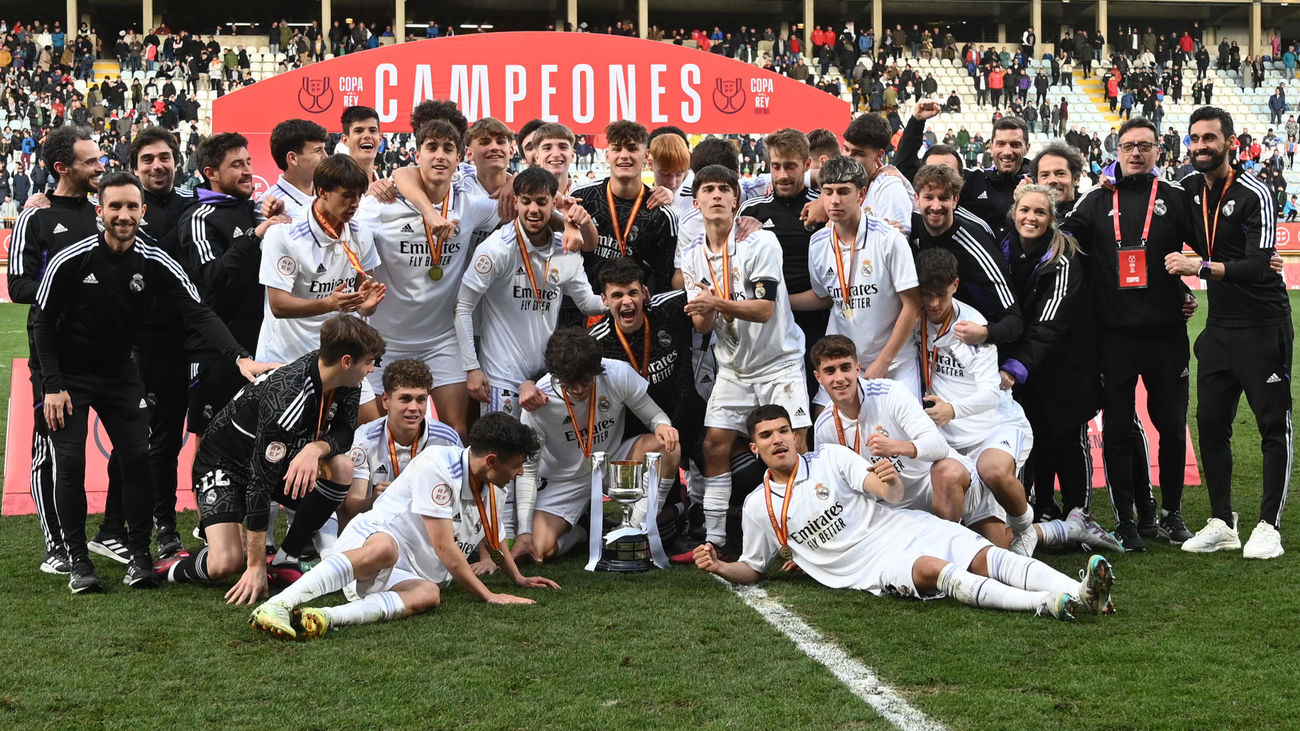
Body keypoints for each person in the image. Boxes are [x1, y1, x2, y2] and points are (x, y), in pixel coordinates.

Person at [34, 172, 272, 593]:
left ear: (143, 211)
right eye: (115, 207)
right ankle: (79, 561)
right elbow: (41, 323)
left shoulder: (155, 259)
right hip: (68, 377)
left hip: (121, 372)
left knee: (138, 459)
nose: (123, 215)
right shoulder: (70, 259)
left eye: (131, 207)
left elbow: (198, 311)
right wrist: (53, 385)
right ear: (100, 211)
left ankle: (140, 555)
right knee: (70, 464)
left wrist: (239, 357)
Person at [693, 405, 1117, 622]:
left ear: (795, 435)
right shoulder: (758, 506)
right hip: (869, 566)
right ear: (755, 448)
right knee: (935, 569)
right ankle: (1046, 603)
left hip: (902, 525)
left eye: (784, 431)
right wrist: (720, 567)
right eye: (767, 436)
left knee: (986, 556)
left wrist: (889, 480)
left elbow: (888, 492)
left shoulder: (831, 458)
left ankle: (1084, 592)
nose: (778, 440)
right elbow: (754, 567)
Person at [248, 411, 557, 639]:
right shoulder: (438, 466)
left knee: (429, 594)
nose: (519, 473)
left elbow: (494, 538)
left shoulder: (495, 487)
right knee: (385, 549)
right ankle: (278, 604)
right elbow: (445, 548)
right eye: (517, 466)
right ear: (491, 461)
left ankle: (323, 617)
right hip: (369, 545)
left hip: (410, 573)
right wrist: (489, 595)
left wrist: (518, 578)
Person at [157, 316, 384, 603]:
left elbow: (344, 432)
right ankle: (170, 568)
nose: (372, 369)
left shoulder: (345, 378)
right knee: (226, 563)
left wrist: (315, 449)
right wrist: (255, 566)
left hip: (270, 458)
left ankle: (286, 558)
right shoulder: (288, 398)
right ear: (347, 361)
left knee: (341, 467)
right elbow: (259, 484)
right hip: (224, 464)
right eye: (369, 362)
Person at [1059, 117, 1195, 552]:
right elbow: (1058, 241)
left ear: (1158, 151)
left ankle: (1172, 514)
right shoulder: (1096, 198)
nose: (1136, 153)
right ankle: (1127, 521)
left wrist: (1190, 282)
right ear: (1116, 151)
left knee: (1171, 427)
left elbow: (1209, 245)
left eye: (1144, 146)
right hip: (1114, 337)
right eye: (1128, 146)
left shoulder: (1175, 196)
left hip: (1167, 334)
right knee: (1117, 429)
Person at [1167, 106, 1292, 559]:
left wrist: (1199, 267)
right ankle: (1222, 522)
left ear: (1230, 143)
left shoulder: (1256, 191)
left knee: (1272, 424)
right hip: (1219, 326)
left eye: (1210, 138)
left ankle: (1269, 526)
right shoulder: (1186, 189)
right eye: (1195, 138)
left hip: (1263, 324)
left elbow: (1260, 266)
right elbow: (1149, 206)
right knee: (1210, 423)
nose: (1201, 146)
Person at [680, 165, 809, 551]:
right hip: (733, 366)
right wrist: (704, 311)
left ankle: (803, 532)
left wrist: (716, 302)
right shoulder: (692, 255)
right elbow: (702, 325)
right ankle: (715, 538)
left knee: (796, 443)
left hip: (778, 361)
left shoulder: (760, 242)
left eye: (724, 189)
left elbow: (764, 309)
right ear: (696, 202)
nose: (716, 195)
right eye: (708, 189)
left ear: (736, 200)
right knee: (714, 444)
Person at [89, 126, 197, 562]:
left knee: (166, 442)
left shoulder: (195, 204)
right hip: (132, 346)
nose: (157, 165)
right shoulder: (122, 212)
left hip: (178, 344)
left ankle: (165, 529)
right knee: (132, 441)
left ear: (177, 160)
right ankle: (113, 527)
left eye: (164, 157)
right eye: (147, 159)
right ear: (134, 167)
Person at [355, 120, 499, 438]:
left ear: (459, 158)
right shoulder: (380, 204)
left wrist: (514, 184)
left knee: (456, 430)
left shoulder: (470, 205)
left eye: (448, 149)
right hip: (384, 341)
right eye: (432, 147)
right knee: (380, 434)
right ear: (417, 155)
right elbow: (341, 229)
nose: (440, 156)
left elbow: (517, 208)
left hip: (441, 340)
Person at [9, 125, 104, 576]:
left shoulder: (105, 212)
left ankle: (116, 534)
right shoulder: (35, 217)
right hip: (54, 354)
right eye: (91, 161)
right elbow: (18, 285)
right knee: (52, 451)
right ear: (63, 167)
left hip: (108, 351)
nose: (100, 166)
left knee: (130, 446)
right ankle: (57, 546)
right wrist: (73, 291)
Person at [913, 248, 1042, 555]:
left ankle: (1026, 528)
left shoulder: (971, 326)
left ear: (955, 286)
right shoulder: (913, 318)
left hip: (995, 427)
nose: (933, 303)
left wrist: (952, 409)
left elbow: (992, 393)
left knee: (993, 470)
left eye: (941, 295)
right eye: (927, 295)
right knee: (994, 550)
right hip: (954, 443)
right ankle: (1057, 531)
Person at [512, 328, 681, 561]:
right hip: (563, 479)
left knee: (669, 447)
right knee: (539, 551)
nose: (578, 390)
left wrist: (663, 425)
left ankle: (635, 530)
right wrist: (524, 532)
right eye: (570, 383)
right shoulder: (537, 403)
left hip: (610, 463)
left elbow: (655, 417)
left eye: (585, 381)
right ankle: (581, 531)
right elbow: (528, 470)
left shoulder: (617, 373)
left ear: (596, 369)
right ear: (556, 374)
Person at [455, 167, 603, 417]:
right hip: (501, 378)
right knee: (501, 442)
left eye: (541, 202)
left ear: (554, 203)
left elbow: (587, 303)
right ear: (516, 202)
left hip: (545, 378)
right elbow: (463, 307)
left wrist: (618, 301)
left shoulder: (564, 250)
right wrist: (471, 368)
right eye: (526, 201)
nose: (533, 209)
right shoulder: (496, 249)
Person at [178, 132, 291, 437]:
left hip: (261, 347)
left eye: (248, 162)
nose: (247, 171)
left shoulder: (252, 209)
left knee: (256, 441)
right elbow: (212, 277)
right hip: (216, 351)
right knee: (211, 441)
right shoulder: (199, 217)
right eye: (236, 165)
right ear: (211, 173)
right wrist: (255, 236)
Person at [255, 154, 386, 366]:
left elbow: (362, 297)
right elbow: (278, 305)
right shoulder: (284, 232)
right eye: (347, 196)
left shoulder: (361, 233)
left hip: (337, 357)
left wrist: (366, 306)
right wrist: (329, 304)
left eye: (359, 196)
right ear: (322, 191)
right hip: (286, 359)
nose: (355, 204)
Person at [808, 155, 921, 394]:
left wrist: (884, 362)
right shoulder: (817, 244)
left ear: (860, 194)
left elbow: (912, 306)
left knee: (902, 420)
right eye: (828, 192)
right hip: (844, 363)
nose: (834, 200)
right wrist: (779, 301)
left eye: (843, 192)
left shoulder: (889, 239)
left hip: (895, 362)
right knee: (822, 417)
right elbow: (824, 297)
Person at [339, 359, 462, 541]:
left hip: (428, 531)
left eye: (421, 399)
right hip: (377, 529)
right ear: (386, 401)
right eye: (405, 399)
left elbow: (464, 500)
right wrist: (374, 500)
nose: (414, 408)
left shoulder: (447, 439)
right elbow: (351, 507)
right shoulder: (365, 438)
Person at [910, 164, 1022, 346]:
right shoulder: (909, 228)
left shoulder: (974, 247)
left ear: (955, 200)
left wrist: (985, 333)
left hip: (964, 343)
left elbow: (1013, 320)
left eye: (944, 198)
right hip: (922, 336)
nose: (936, 206)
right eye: (928, 197)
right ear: (917, 199)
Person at [571, 120, 678, 294]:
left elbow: (664, 282)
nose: (624, 155)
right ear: (607, 155)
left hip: (632, 307)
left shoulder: (661, 214)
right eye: (617, 149)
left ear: (646, 156)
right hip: (582, 306)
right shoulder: (582, 197)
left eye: (632, 148)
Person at [958, 117, 1032, 234]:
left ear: (1026, 148)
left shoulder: (1038, 184)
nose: (1007, 152)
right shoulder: (972, 179)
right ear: (991, 147)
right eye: (1000, 144)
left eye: (1015, 145)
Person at [261, 118, 330, 219]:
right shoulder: (269, 206)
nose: (326, 156)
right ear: (292, 158)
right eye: (318, 150)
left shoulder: (330, 191)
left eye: (324, 149)